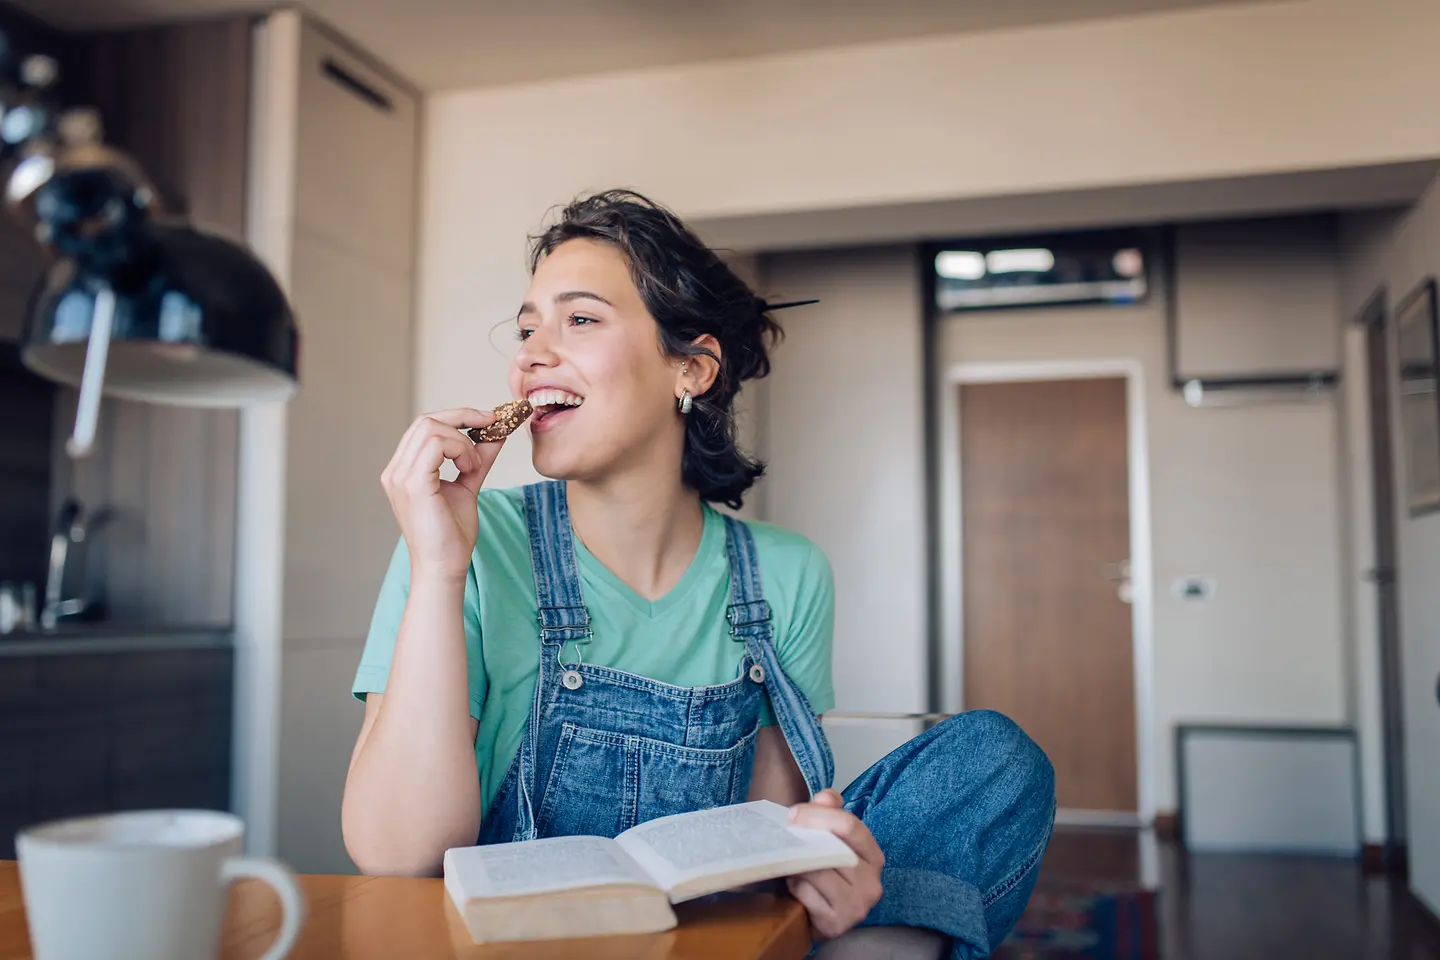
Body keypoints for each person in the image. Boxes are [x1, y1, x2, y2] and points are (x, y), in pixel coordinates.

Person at [341, 189, 1055, 959]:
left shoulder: (786, 574)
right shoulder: (468, 539)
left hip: (703, 941)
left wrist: (819, 877)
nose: (530, 354)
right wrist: (440, 569)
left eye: (577, 319)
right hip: (509, 944)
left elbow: (754, 849)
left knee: (995, 760)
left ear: (691, 367)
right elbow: (396, 853)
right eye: (525, 328)